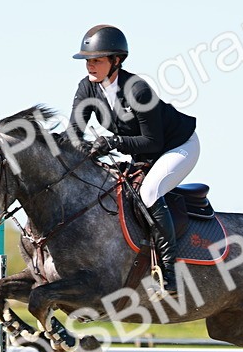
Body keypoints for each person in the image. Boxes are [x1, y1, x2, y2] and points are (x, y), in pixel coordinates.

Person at [68, 24, 198, 299]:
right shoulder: (87, 89)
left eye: (97, 60)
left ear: (116, 60)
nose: (90, 66)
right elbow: (73, 135)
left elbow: (153, 142)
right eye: (88, 61)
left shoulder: (137, 89)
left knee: (149, 192)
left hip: (178, 147)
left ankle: (169, 272)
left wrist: (113, 143)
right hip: (142, 152)